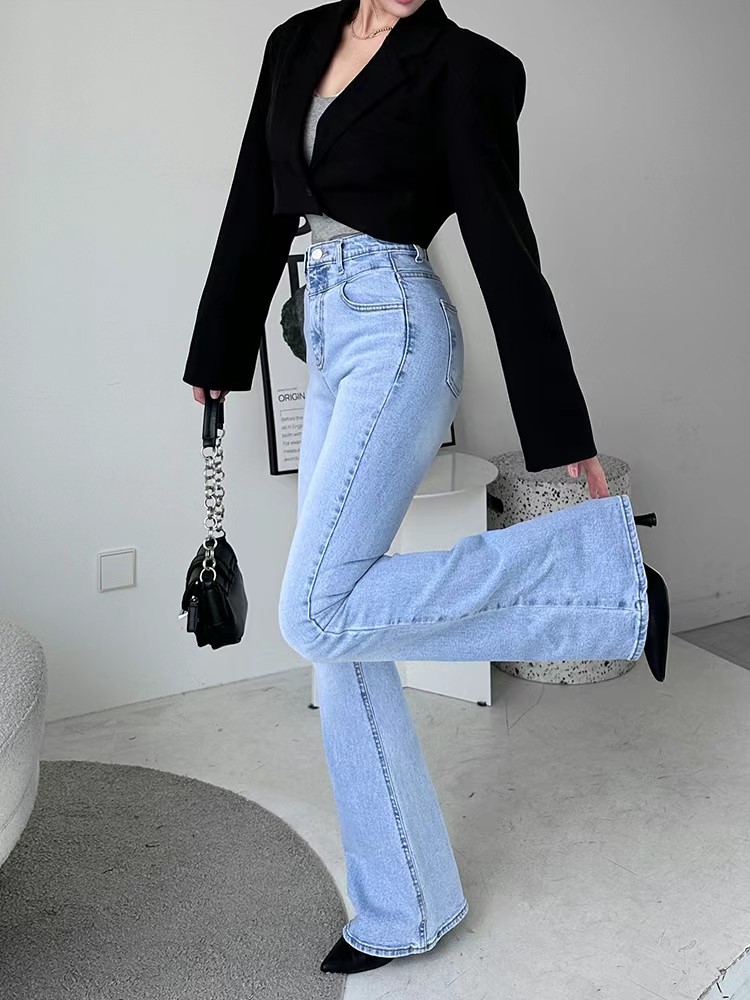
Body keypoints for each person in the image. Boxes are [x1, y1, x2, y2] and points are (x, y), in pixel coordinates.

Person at [182, 0, 670, 975]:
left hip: (396, 327)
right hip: (322, 325)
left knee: (315, 609)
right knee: (342, 637)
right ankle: (404, 906)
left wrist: (562, 435)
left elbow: (501, 243)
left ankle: (607, 588)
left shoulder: (466, 66)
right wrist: (219, 353)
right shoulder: (297, 43)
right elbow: (253, 198)